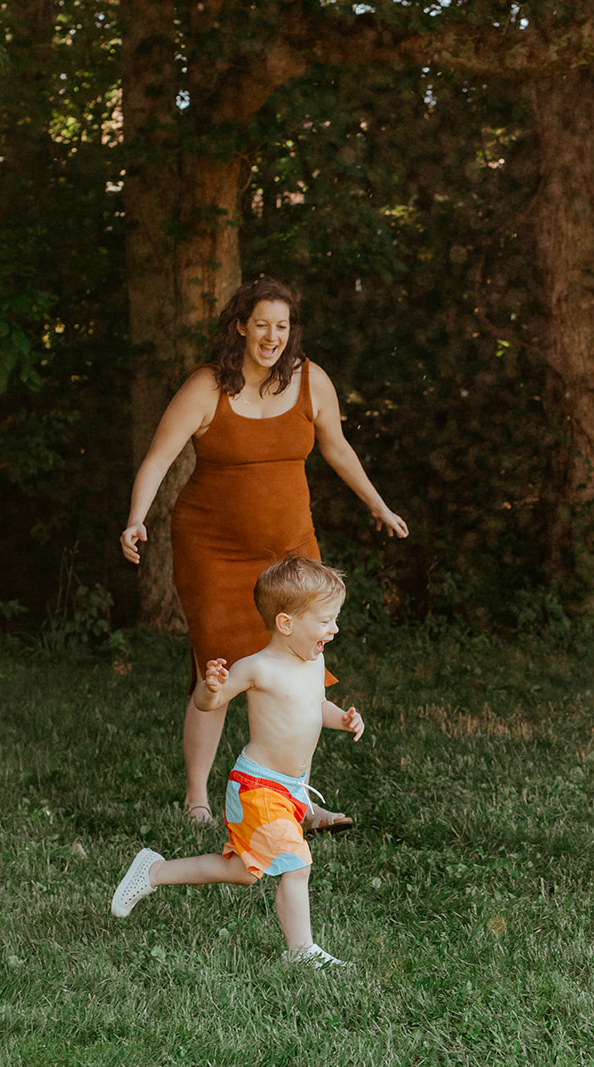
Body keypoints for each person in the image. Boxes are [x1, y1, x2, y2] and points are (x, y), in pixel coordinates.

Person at [119, 277, 407, 829]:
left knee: (301, 669)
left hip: (291, 550)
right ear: (240, 327)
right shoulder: (207, 387)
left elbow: (338, 448)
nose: (273, 336)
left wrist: (379, 504)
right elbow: (158, 459)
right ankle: (197, 800)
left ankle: (294, 799)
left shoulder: (310, 382)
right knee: (217, 671)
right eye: (262, 325)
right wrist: (136, 518)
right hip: (214, 550)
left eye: (283, 326)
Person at [110, 557, 363, 968]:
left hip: (291, 788)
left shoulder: (313, 660)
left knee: (244, 871)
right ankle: (301, 952)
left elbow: (317, 706)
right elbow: (207, 704)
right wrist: (211, 688)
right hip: (258, 787)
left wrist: (344, 718)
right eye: (325, 621)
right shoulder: (257, 668)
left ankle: (154, 871)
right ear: (285, 624)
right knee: (298, 864)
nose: (334, 629)